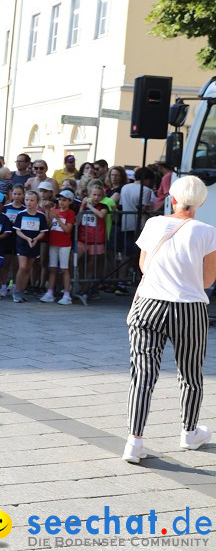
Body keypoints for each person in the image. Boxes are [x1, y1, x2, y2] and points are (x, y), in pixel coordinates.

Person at [122, 175, 216, 463]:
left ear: (173, 199)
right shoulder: (207, 231)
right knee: (190, 373)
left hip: (149, 304)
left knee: (142, 374)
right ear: (200, 201)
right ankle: (189, 432)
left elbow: (143, 265)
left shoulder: (153, 224)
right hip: (189, 308)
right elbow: (209, 279)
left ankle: (134, 441)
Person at [12, 190, 49, 303]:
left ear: (37, 202)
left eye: (32, 200)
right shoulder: (21, 214)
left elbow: (43, 231)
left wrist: (36, 239)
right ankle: (16, 291)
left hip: (34, 244)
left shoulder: (41, 216)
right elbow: (17, 230)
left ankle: (22, 291)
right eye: (27, 200)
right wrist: (27, 238)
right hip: (23, 243)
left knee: (28, 268)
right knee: (22, 267)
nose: (29, 202)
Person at [43, 190, 76, 305]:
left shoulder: (70, 213)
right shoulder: (55, 211)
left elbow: (67, 229)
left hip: (64, 244)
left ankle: (67, 294)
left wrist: (57, 218)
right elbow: (48, 225)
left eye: (64, 200)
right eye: (60, 200)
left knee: (64, 269)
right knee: (52, 268)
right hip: (53, 243)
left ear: (70, 202)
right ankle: (50, 292)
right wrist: (48, 212)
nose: (61, 202)